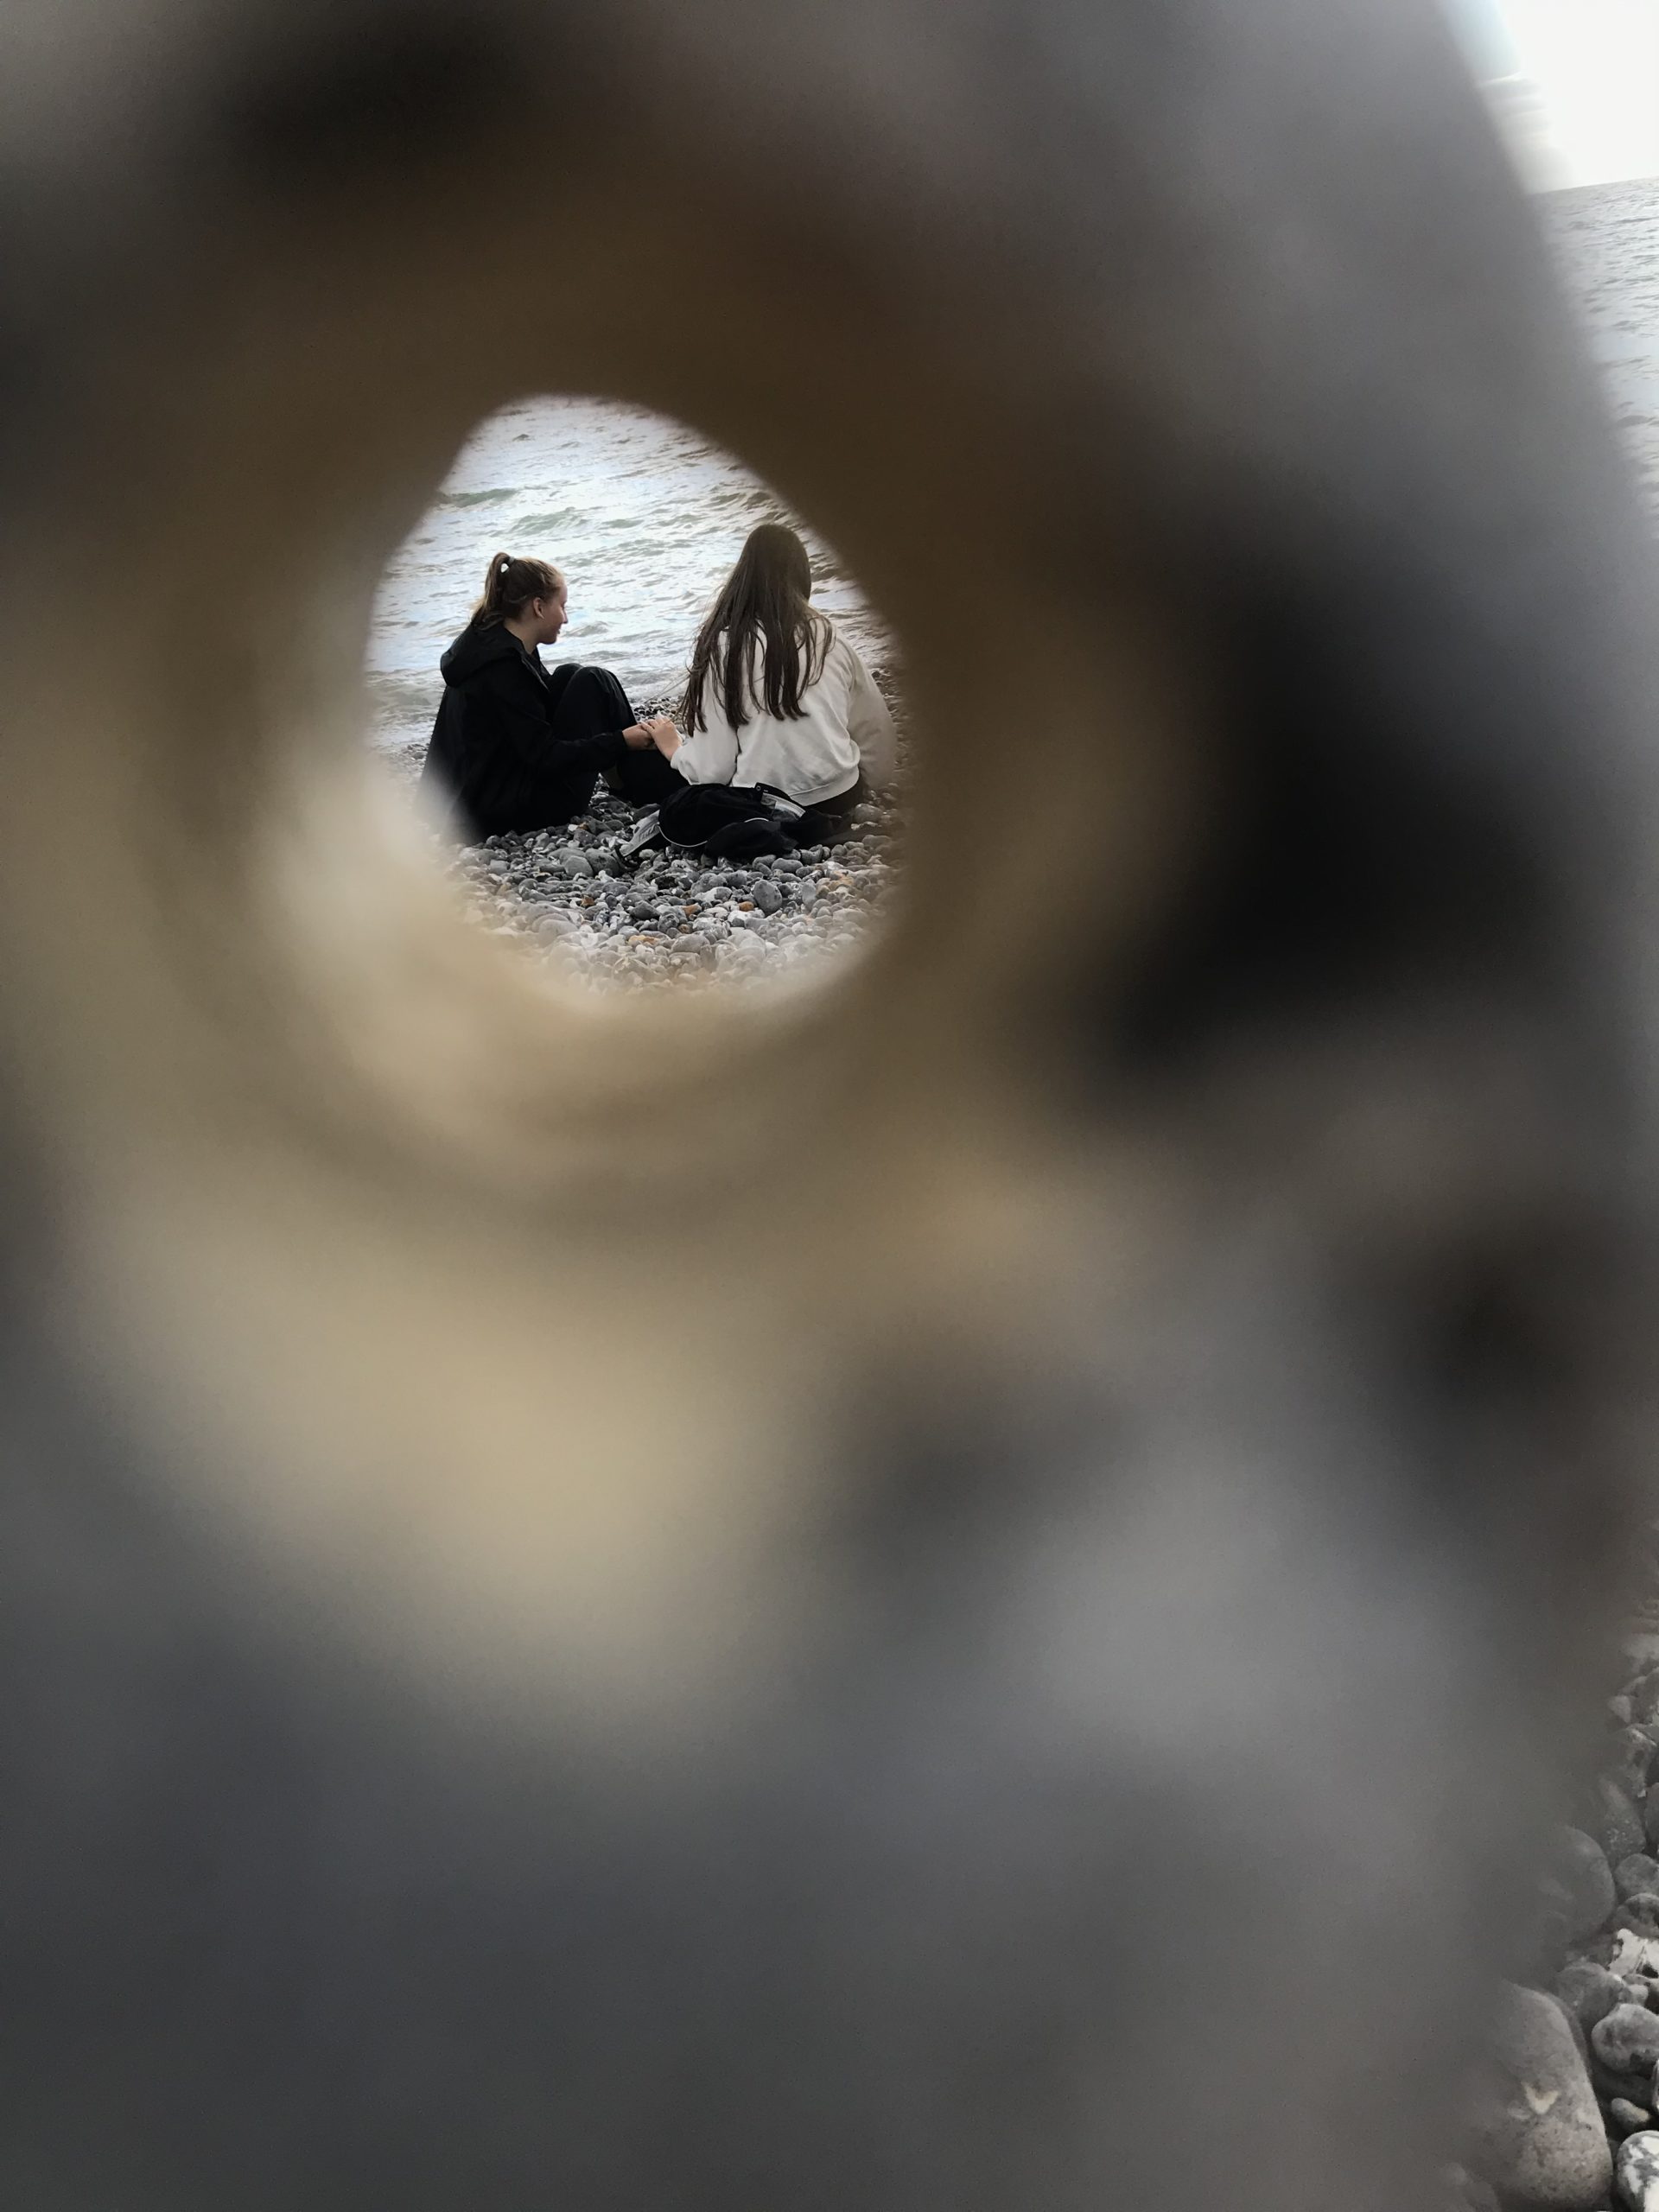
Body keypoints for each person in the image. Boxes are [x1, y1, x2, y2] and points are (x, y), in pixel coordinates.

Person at [643, 524, 896, 825]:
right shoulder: (829, 633)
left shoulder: (726, 644)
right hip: (842, 795)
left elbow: (713, 770)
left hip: (765, 807)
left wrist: (675, 751)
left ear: (742, 578)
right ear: (803, 578)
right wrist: (868, 785)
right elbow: (876, 729)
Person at [419, 553, 679, 841]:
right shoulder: (503, 669)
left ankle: (634, 777)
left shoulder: (491, 645)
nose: (565, 618)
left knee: (571, 675)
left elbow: (532, 728)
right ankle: (648, 781)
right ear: (539, 607)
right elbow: (545, 757)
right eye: (562, 606)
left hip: (475, 800)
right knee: (592, 680)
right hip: (502, 812)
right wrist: (621, 741)